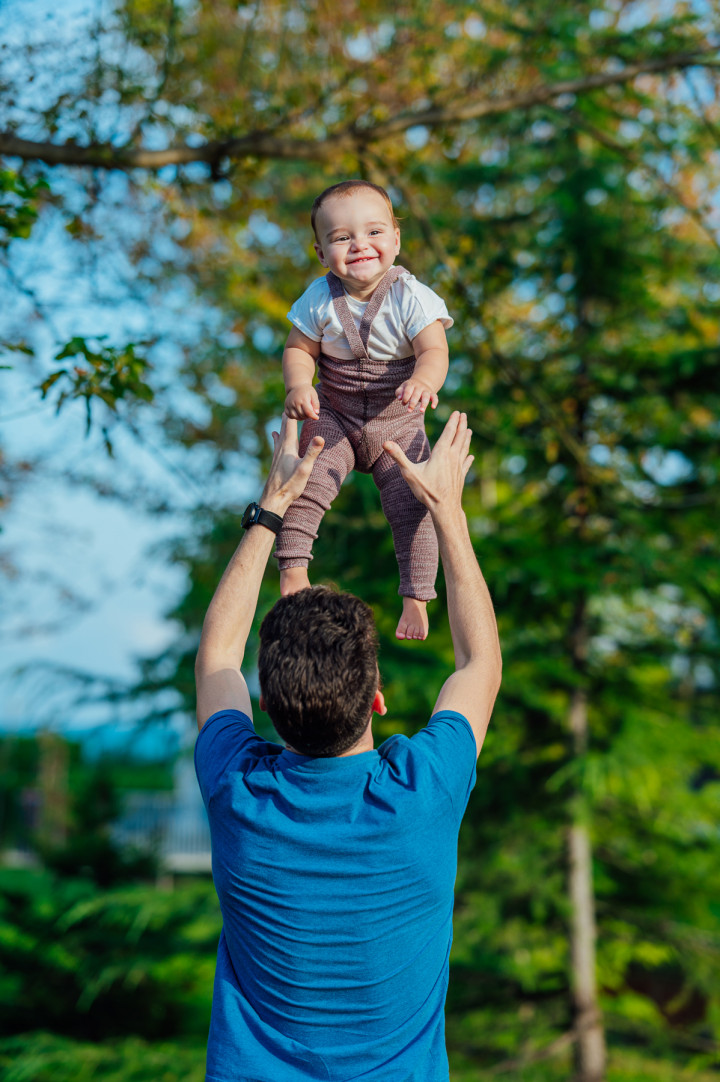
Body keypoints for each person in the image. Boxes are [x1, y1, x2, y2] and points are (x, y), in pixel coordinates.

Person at [194, 411, 502, 1082]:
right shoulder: (424, 792)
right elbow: (481, 664)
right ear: (377, 700)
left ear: (267, 706)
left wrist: (270, 511)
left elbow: (217, 652)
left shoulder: (236, 791)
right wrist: (445, 510)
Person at [274, 179, 453, 642]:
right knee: (307, 480)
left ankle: (416, 597)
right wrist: (299, 383)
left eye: (374, 232)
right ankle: (293, 570)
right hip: (336, 413)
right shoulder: (318, 297)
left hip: (399, 421)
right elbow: (299, 348)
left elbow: (434, 349)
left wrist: (424, 380)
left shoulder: (410, 296)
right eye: (341, 237)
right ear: (320, 252)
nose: (359, 245)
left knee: (413, 503)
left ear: (396, 238)